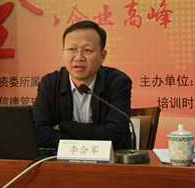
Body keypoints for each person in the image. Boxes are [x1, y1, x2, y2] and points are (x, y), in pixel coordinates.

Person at [32, 20, 133, 150]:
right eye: (71, 49)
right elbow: (37, 132)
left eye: (87, 50)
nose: (78, 57)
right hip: (60, 160)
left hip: (111, 160)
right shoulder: (50, 83)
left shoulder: (117, 82)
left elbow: (115, 134)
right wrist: (86, 141)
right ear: (63, 52)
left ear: (103, 56)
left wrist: (64, 126)